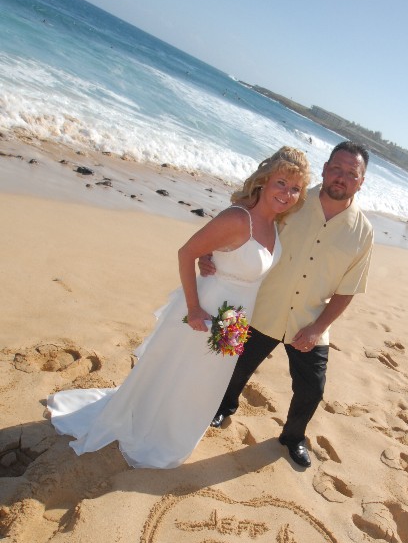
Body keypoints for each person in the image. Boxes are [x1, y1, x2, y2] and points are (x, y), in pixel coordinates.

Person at [47, 147, 311, 469]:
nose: (287, 193)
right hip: (208, 307)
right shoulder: (239, 218)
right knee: (179, 371)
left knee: (206, 379)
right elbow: (186, 252)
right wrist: (194, 308)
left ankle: (178, 429)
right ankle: (155, 430)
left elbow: (223, 256)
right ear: (265, 181)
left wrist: (210, 256)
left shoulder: (275, 225)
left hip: (236, 317)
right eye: (281, 183)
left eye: (295, 188)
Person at [204, 141, 374, 469]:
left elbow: (347, 290)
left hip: (309, 321)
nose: (341, 177)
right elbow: (247, 219)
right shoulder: (293, 199)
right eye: (335, 168)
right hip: (259, 304)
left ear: (361, 181)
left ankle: (293, 437)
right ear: (324, 169)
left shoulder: (363, 232)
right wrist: (210, 254)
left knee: (313, 389)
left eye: (351, 173)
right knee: (228, 360)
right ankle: (222, 406)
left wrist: (318, 328)